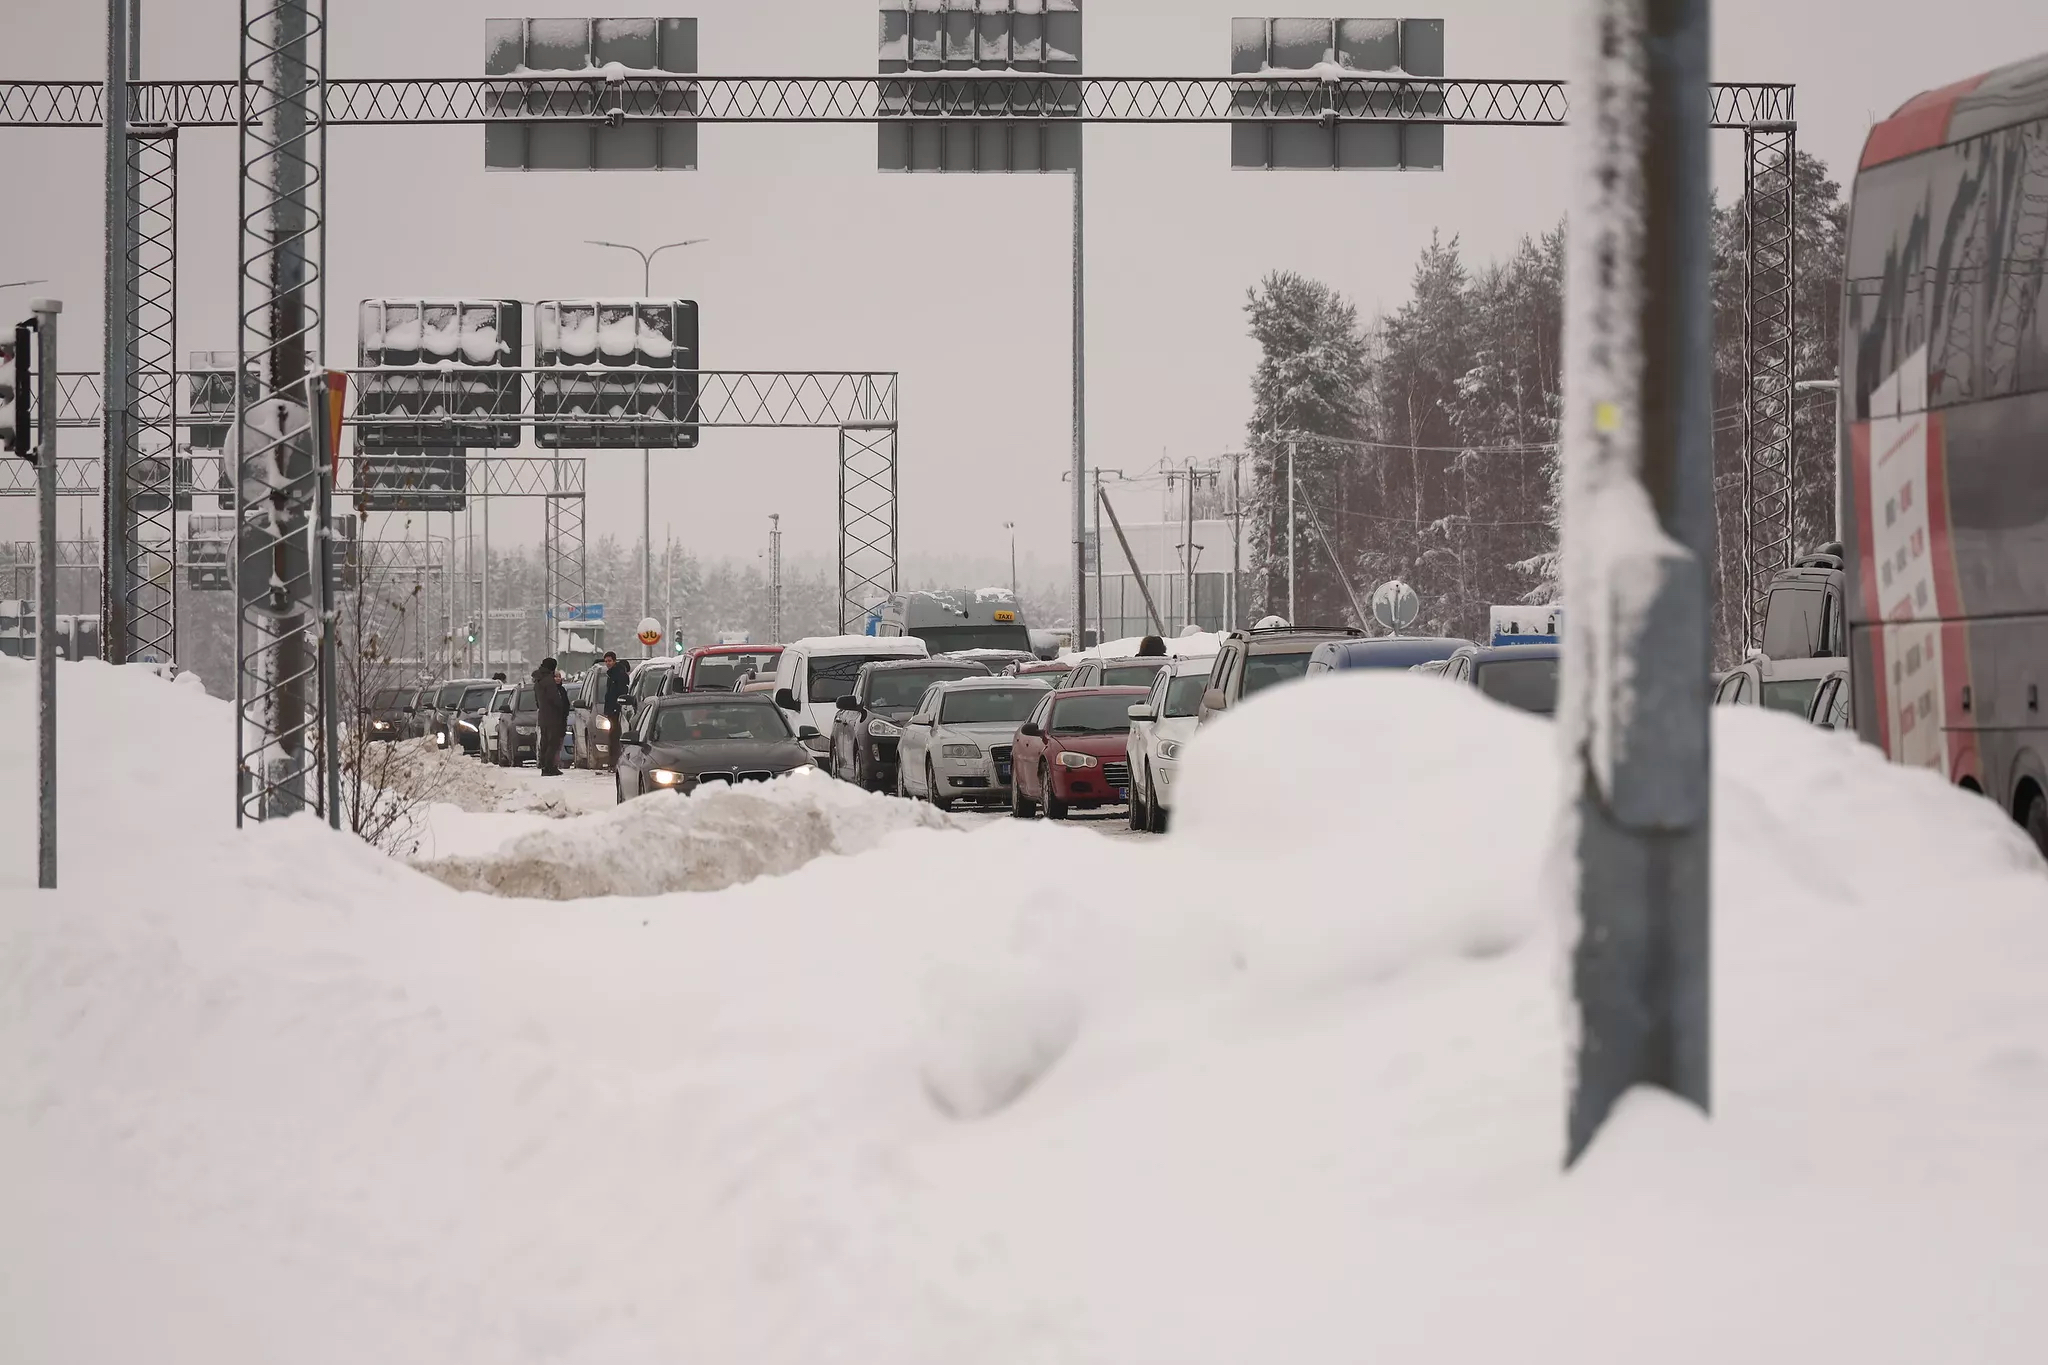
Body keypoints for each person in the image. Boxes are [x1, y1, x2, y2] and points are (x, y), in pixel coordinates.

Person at [533, 656, 570, 777]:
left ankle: (545, 765)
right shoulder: (548, 680)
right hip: (553, 716)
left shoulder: (538, 680)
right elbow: (555, 699)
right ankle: (549, 767)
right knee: (552, 742)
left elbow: (537, 700)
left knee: (545, 742)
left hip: (543, 715)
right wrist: (561, 708)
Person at [601, 650, 632, 769]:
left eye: (609, 661)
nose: (607, 663)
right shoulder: (611, 674)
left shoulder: (618, 675)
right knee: (613, 736)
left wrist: (616, 707)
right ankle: (613, 762)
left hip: (617, 710)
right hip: (612, 710)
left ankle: (615, 762)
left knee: (615, 737)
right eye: (606, 661)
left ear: (614, 661)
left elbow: (619, 693)